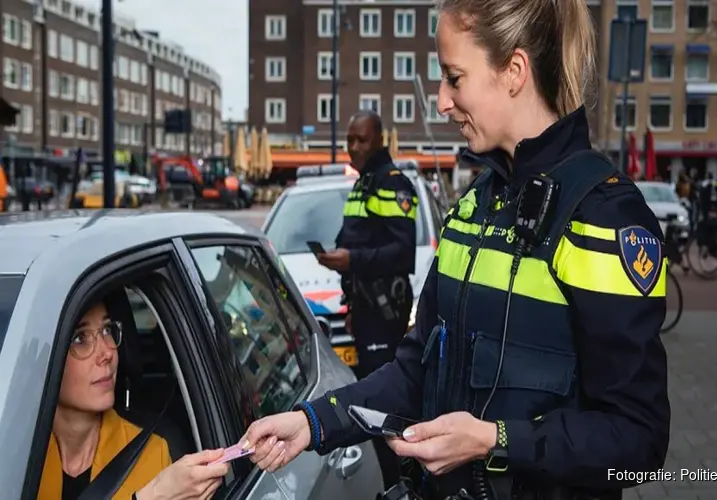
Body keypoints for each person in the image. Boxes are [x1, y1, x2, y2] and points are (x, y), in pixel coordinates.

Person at [241, 1, 670, 499]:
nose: (441, 101)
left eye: (454, 78)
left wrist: (494, 441)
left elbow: (638, 440)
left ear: (513, 71)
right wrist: (311, 423)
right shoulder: (473, 208)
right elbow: (415, 371)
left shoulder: (604, 217)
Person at [315, 109, 418, 490]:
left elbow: (403, 252)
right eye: (350, 140)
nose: (354, 147)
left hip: (385, 312)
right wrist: (344, 276)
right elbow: (354, 240)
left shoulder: (393, 184)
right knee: (373, 401)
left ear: (379, 141)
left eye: (362, 140)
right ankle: (387, 476)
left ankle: (402, 479)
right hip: (364, 309)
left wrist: (352, 259)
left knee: (386, 402)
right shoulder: (362, 184)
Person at [38, 300, 229, 500]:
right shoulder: (16, 456)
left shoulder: (157, 452)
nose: (107, 352)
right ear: (45, 359)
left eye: (107, 330)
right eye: (80, 338)